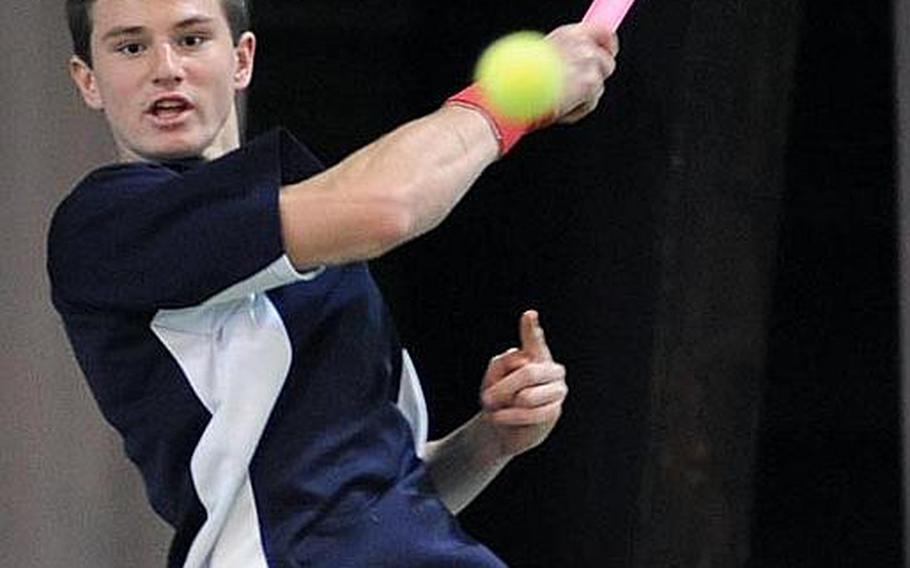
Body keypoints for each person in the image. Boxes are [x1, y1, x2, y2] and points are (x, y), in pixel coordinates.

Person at [48, 0, 619, 565]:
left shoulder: (316, 243)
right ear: (88, 80)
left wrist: (492, 439)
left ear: (242, 60)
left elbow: (375, 504)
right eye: (130, 46)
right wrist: (517, 97)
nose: (165, 66)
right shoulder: (105, 227)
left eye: (192, 39)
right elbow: (387, 205)